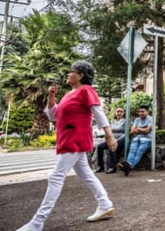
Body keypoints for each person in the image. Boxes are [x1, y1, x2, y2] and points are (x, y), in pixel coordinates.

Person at [16, 61, 117, 231]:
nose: (68, 74)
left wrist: (109, 136)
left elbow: (99, 114)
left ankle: (37, 222)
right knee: (86, 174)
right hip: (68, 137)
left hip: (76, 138)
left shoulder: (87, 91)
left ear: (81, 75)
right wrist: (52, 98)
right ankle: (105, 204)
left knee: (56, 177)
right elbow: (53, 115)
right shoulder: (68, 94)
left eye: (72, 71)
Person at [117, 105, 152, 176]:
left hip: (147, 140)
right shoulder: (137, 119)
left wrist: (138, 129)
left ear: (147, 112)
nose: (141, 113)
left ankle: (128, 166)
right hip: (136, 139)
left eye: (143, 111)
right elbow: (132, 130)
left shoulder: (151, 119)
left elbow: (148, 130)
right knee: (132, 150)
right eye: (140, 112)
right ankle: (128, 166)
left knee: (139, 151)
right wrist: (143, 129)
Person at [95, 107, 126, 174]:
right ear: (115, 113)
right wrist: (109, 139)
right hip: (112, 139)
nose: (119, 113)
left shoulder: (126, 121)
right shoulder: (112, 122)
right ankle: (100, 167)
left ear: (123, 113)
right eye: (118, 111)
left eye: (121, 111)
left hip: (121, 140)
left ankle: (112, 167)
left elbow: (125, 134)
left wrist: (116, 140)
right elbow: (109, 132)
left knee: (112, 146)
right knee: (100, 146)